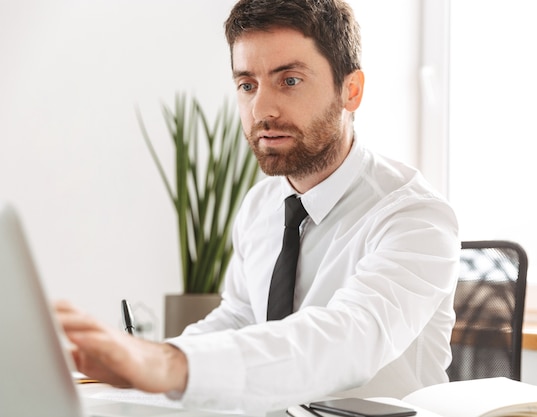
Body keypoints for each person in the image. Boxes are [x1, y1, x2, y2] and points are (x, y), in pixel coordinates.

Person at [56, 0, 459, 413]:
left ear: (350, 90)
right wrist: (138, 363)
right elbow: (238, 318)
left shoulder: (415, 216)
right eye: (247, 85)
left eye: (290, 80)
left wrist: (169, 365)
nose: (261, 110)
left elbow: (351, 338)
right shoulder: (262, 204)